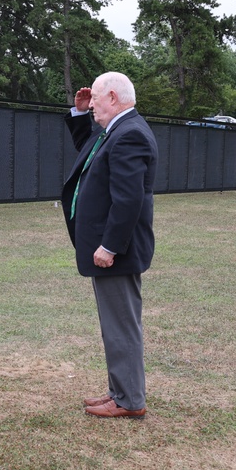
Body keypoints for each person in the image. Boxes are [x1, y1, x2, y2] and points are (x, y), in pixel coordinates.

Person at [60, 72, 158, 419]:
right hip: (112, 250)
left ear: (113, 98)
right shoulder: (117, 129)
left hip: (118, 252)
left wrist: (110, 247)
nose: (94, 106)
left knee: (121, 326)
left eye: (97, 100)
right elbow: (88, 148)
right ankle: (120, 391)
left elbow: (129, 200)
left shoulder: (129, 134)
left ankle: (130, 400)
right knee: (115, 324)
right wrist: (81, 113)